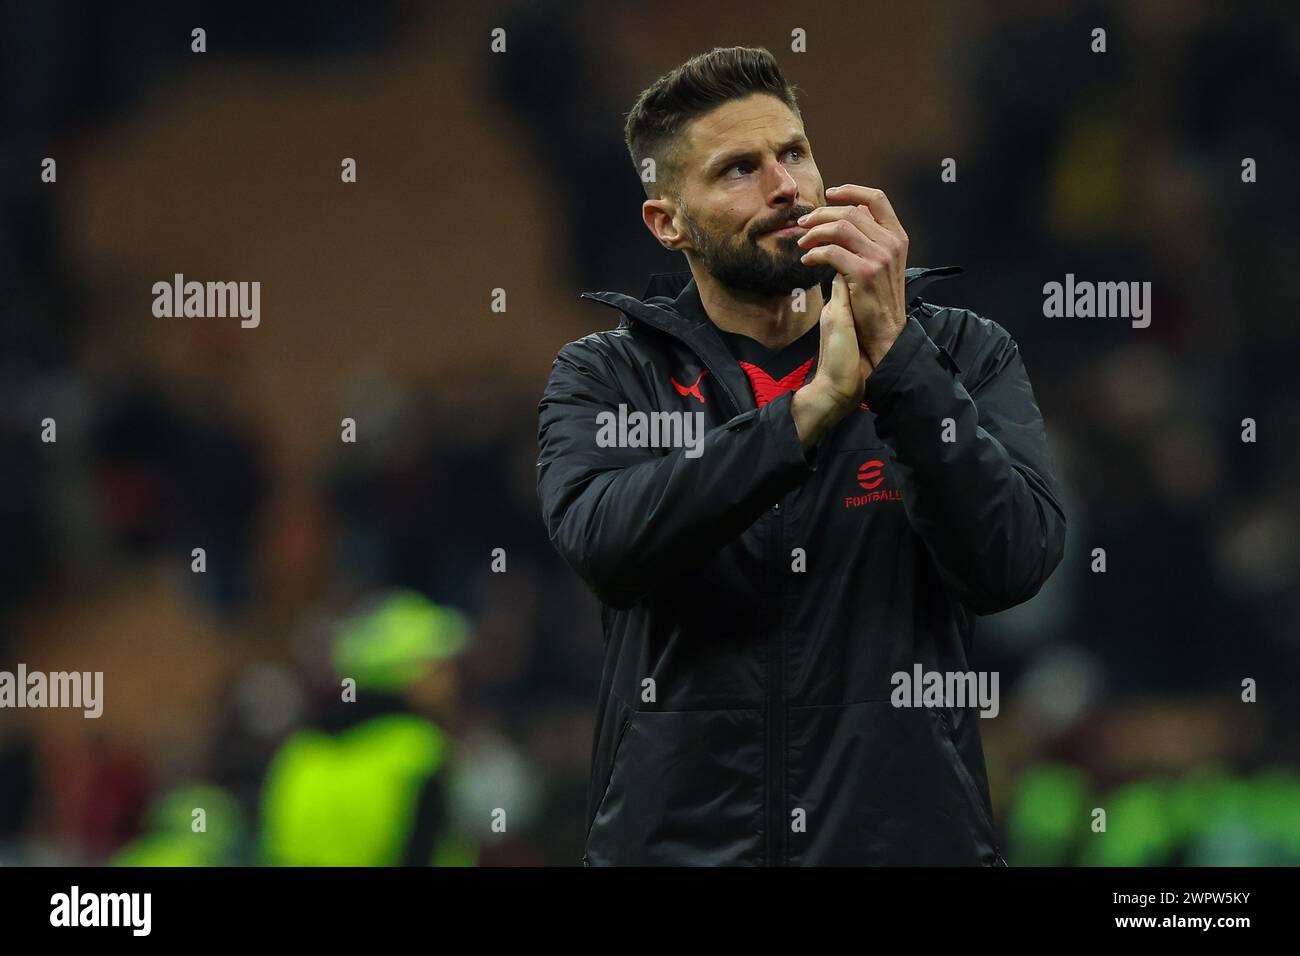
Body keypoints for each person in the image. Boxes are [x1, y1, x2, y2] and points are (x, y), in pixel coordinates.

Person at [536, 46, 1067, 865]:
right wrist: (808, 411)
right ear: (666, 220)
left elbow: (1013, 563)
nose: (785, 185)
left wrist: (902, 367)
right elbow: (606, 546)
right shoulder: (611, 374)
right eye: (738, 169)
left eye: (794, 152)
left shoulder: (959, 349)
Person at [259, 590, 477, 866]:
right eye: (441, 667)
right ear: (410, 672)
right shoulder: (420, 751)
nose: (453, 682)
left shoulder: (299, 750)